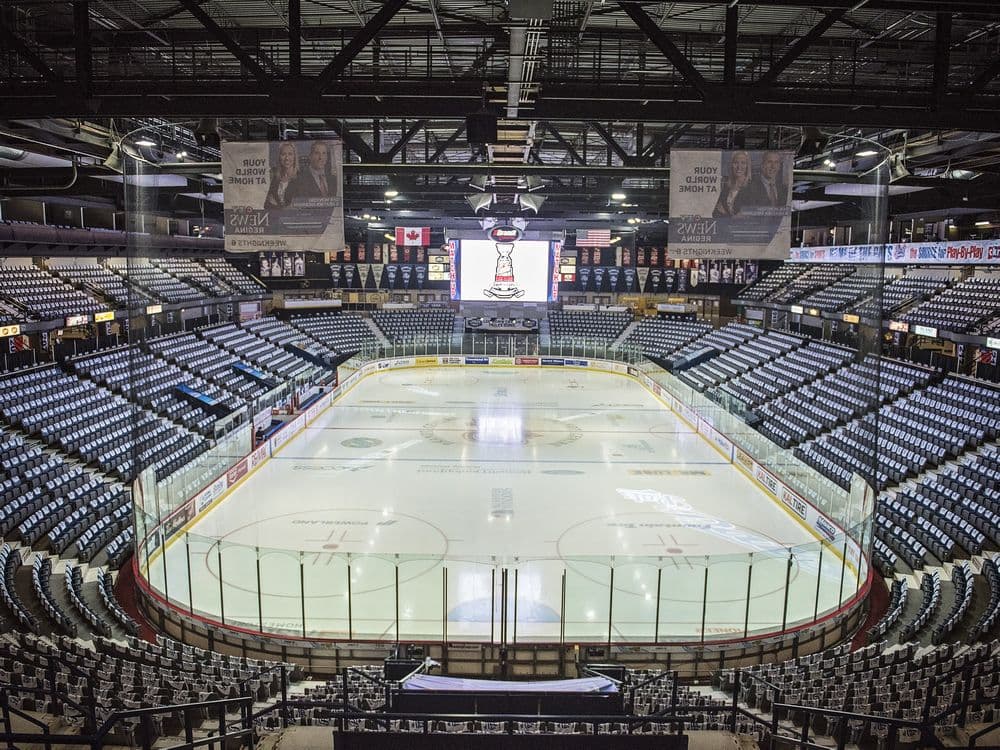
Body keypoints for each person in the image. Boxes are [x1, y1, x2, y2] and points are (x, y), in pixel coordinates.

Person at [712, 150, 752, 217]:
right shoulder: (727, 186)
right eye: (736, 162)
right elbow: (715, 213)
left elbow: (749, 216)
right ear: (731, 165)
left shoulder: (752, 186)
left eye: (743, 163)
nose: (739, 167)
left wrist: (725, 214)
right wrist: (734, 216)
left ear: (747, 166)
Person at [263, 142, 299, 209]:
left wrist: (277, 206)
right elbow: (267, 205)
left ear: (294, 157)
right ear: (279, 157)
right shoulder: (274, 177)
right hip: (275, 217)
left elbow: (297, 206)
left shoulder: (301, 178)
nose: (287, 158)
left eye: (290, 154)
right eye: (283, 154)